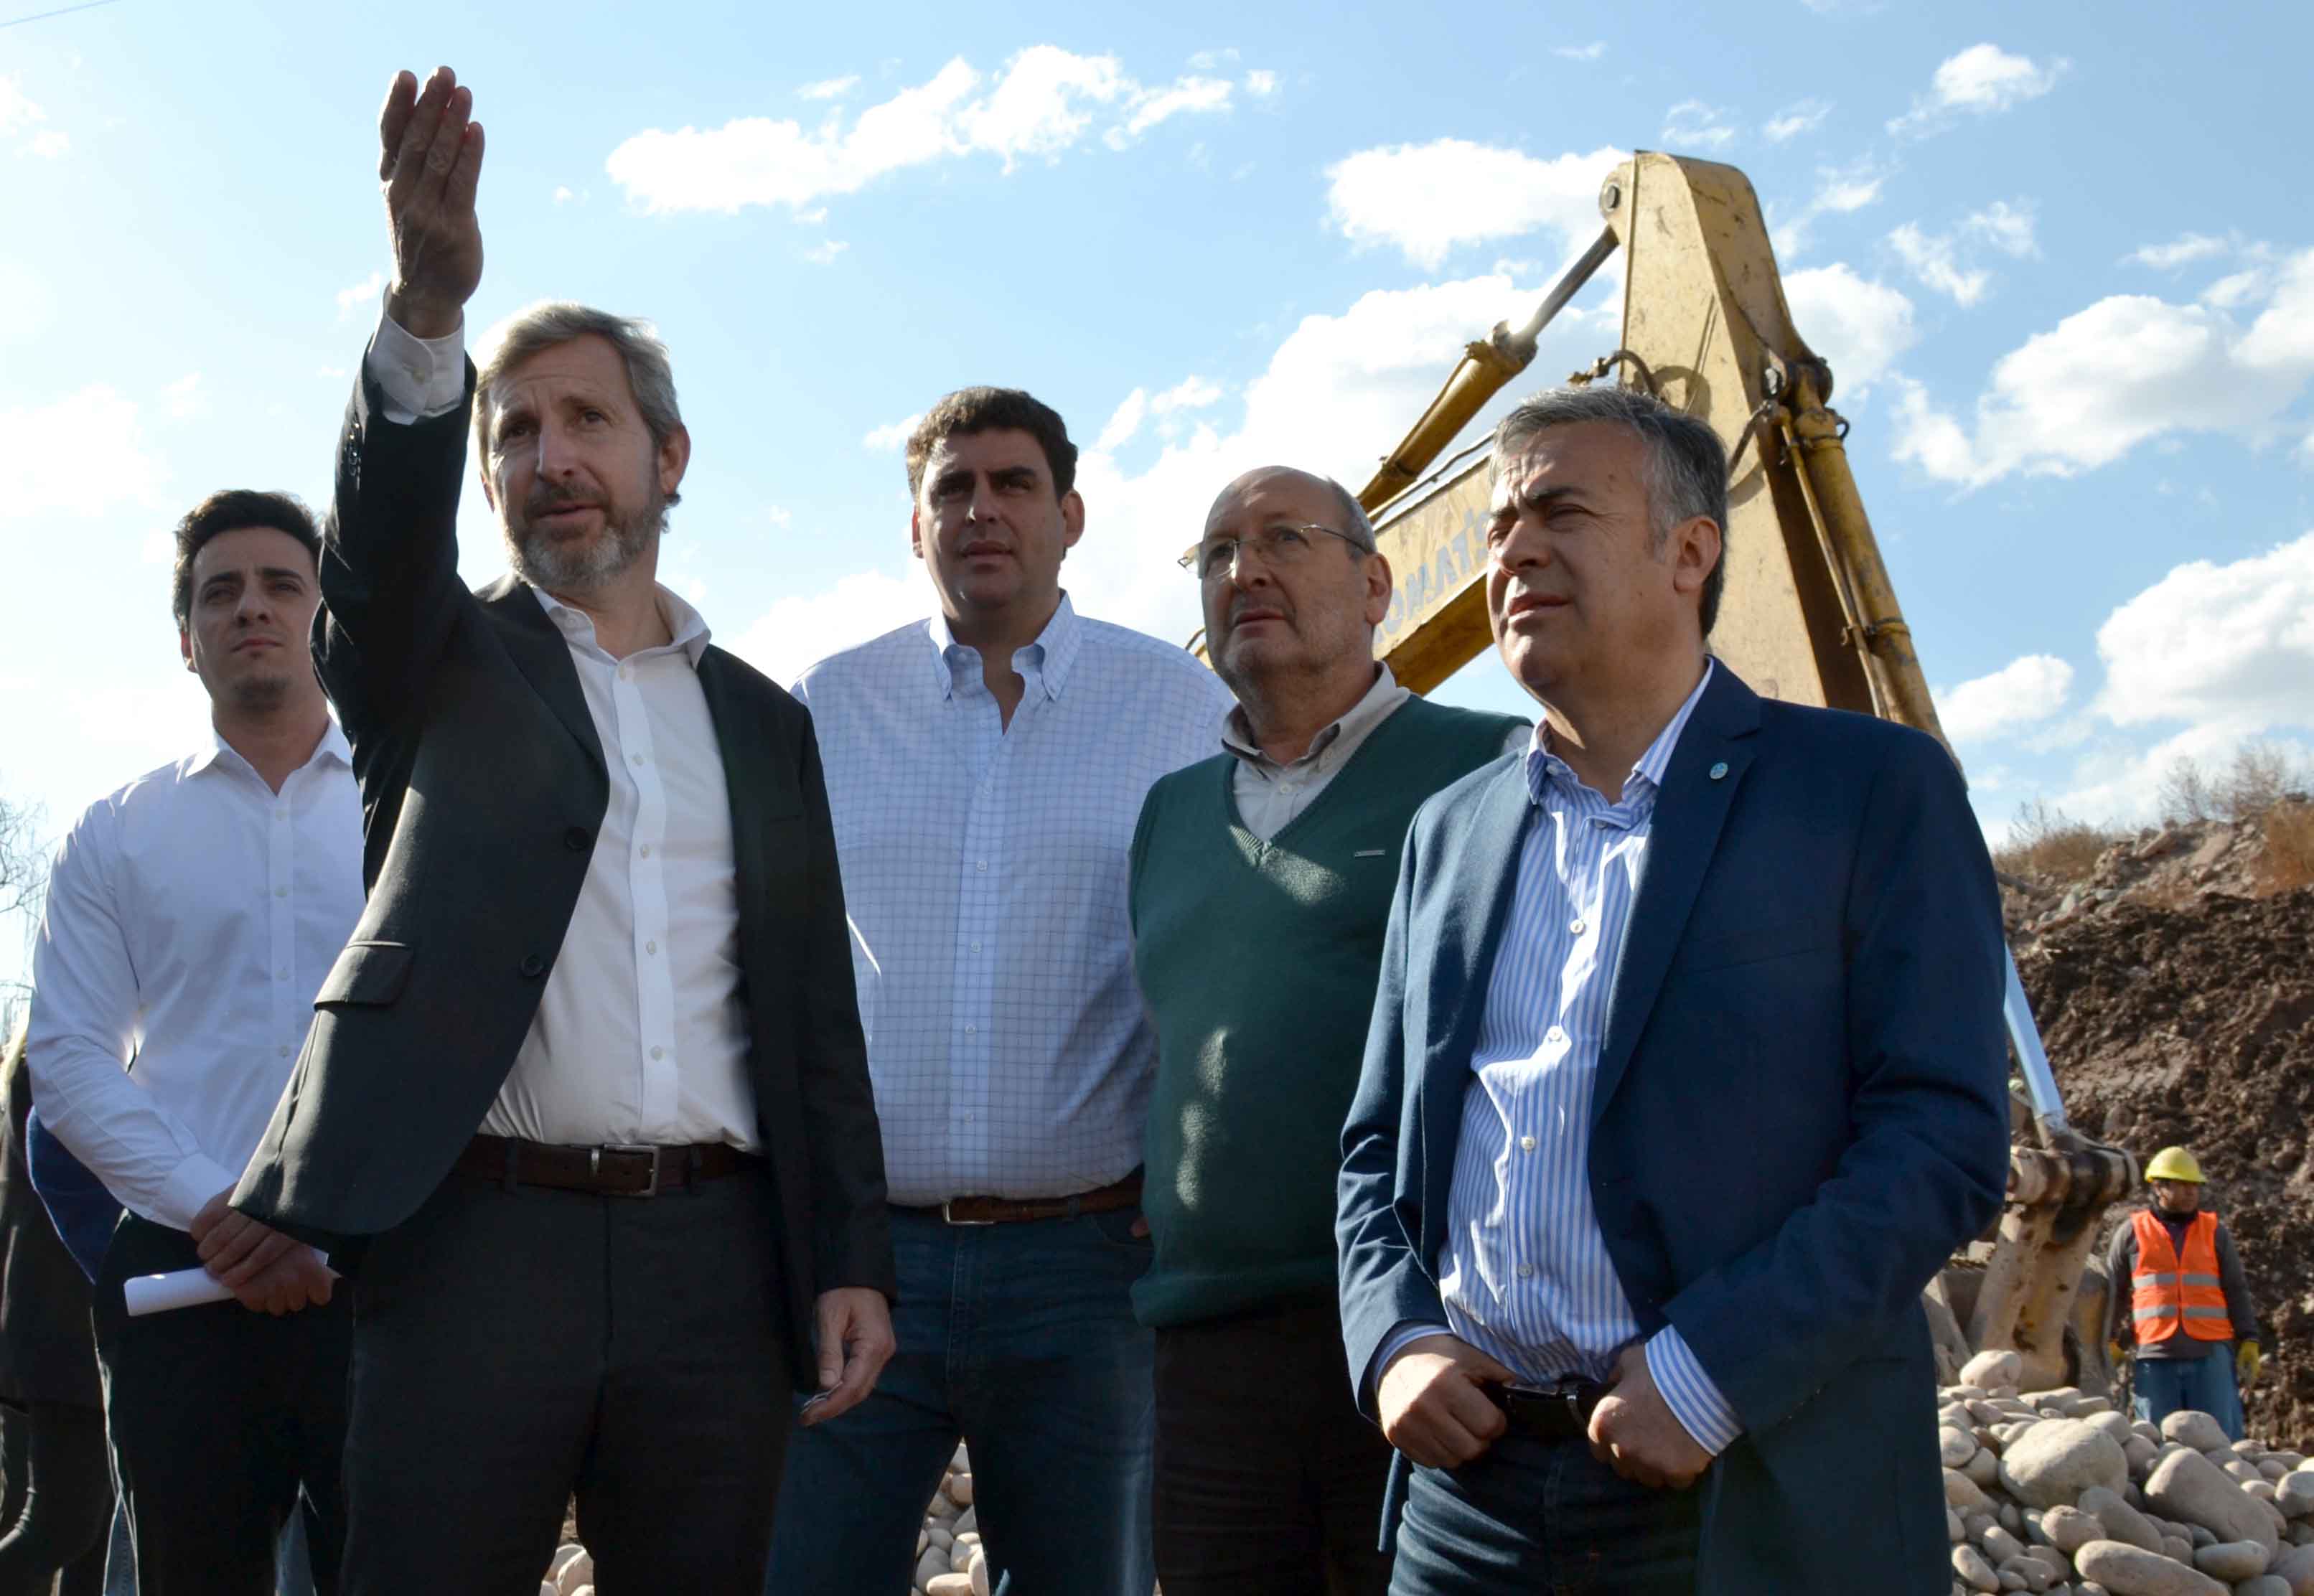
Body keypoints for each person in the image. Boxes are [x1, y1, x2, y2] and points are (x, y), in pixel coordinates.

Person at [227, 66, 895, 1596]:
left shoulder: (764, 720)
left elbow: (809, 1011)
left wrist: (849, 1254)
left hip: (715, 1262)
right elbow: (376, 551)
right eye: (515, 432)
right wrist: (426, 309)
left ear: (671, 456)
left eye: (587, 419)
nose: (550, 457)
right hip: (476, 1246)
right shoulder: (435, 664)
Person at [1334, 385, 2013, 1595]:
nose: (1512, 551)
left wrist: (1710, 1372)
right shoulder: (1450, 831)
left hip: (1744, 1485)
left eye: (1559, 512)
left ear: (1689, 551)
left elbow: (1938, 1138)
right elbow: (1376, 1148)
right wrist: (1394, 1339)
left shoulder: (1868, 791)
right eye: (1497, 526)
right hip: (1468, 1501)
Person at [765, 386, 1235, 1595]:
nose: (982, 510)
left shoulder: (1180, 709)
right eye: (952, 488)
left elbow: (1226, 953)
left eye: (1014, 483)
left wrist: (1192, 1164)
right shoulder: (826, 707)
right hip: (864, 1261)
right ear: (914, 526)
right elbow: (765, 965)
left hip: (1087, 1266)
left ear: (1070, 515)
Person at [1128, 466, 1526, 1595]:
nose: (1244, 570)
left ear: (1376, 585)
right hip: (1206, 1351)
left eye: (1284, 539)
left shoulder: (1493, 768)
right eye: (1216, 553)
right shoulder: (1168, 815)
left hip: (1418, 1337)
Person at [25, 489, 362, 1595]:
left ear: (328, 617)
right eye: (221, 593)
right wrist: (217, 1211)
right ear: (186, 637)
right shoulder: (117, 832)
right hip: (181, 1284)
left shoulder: (411, 811)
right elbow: (68, 1056)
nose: (251, 609)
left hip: (388, 1284)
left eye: (282, 585)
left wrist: (319, 1216)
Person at [0, 1021, 112, 1596]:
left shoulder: (44, 1049)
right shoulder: (61, 1051)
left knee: (92, 1539)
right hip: (64, 1329)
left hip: (56, 1321)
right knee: (60, 1527)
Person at [2105, 1145, 2261, 1439]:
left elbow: (2236, 1288)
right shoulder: (2132, 1233)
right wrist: (2108, 1339)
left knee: (2220, 1442)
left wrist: (2249, 1339)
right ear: (2159, 1187)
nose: (2191, 1192)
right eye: (2182, 1185)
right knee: (2157, 1445)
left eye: (2195, 1185)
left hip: (2210, 1355)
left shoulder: (2214, 1232)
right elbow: (2113, 1291)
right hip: (2155, 1356)